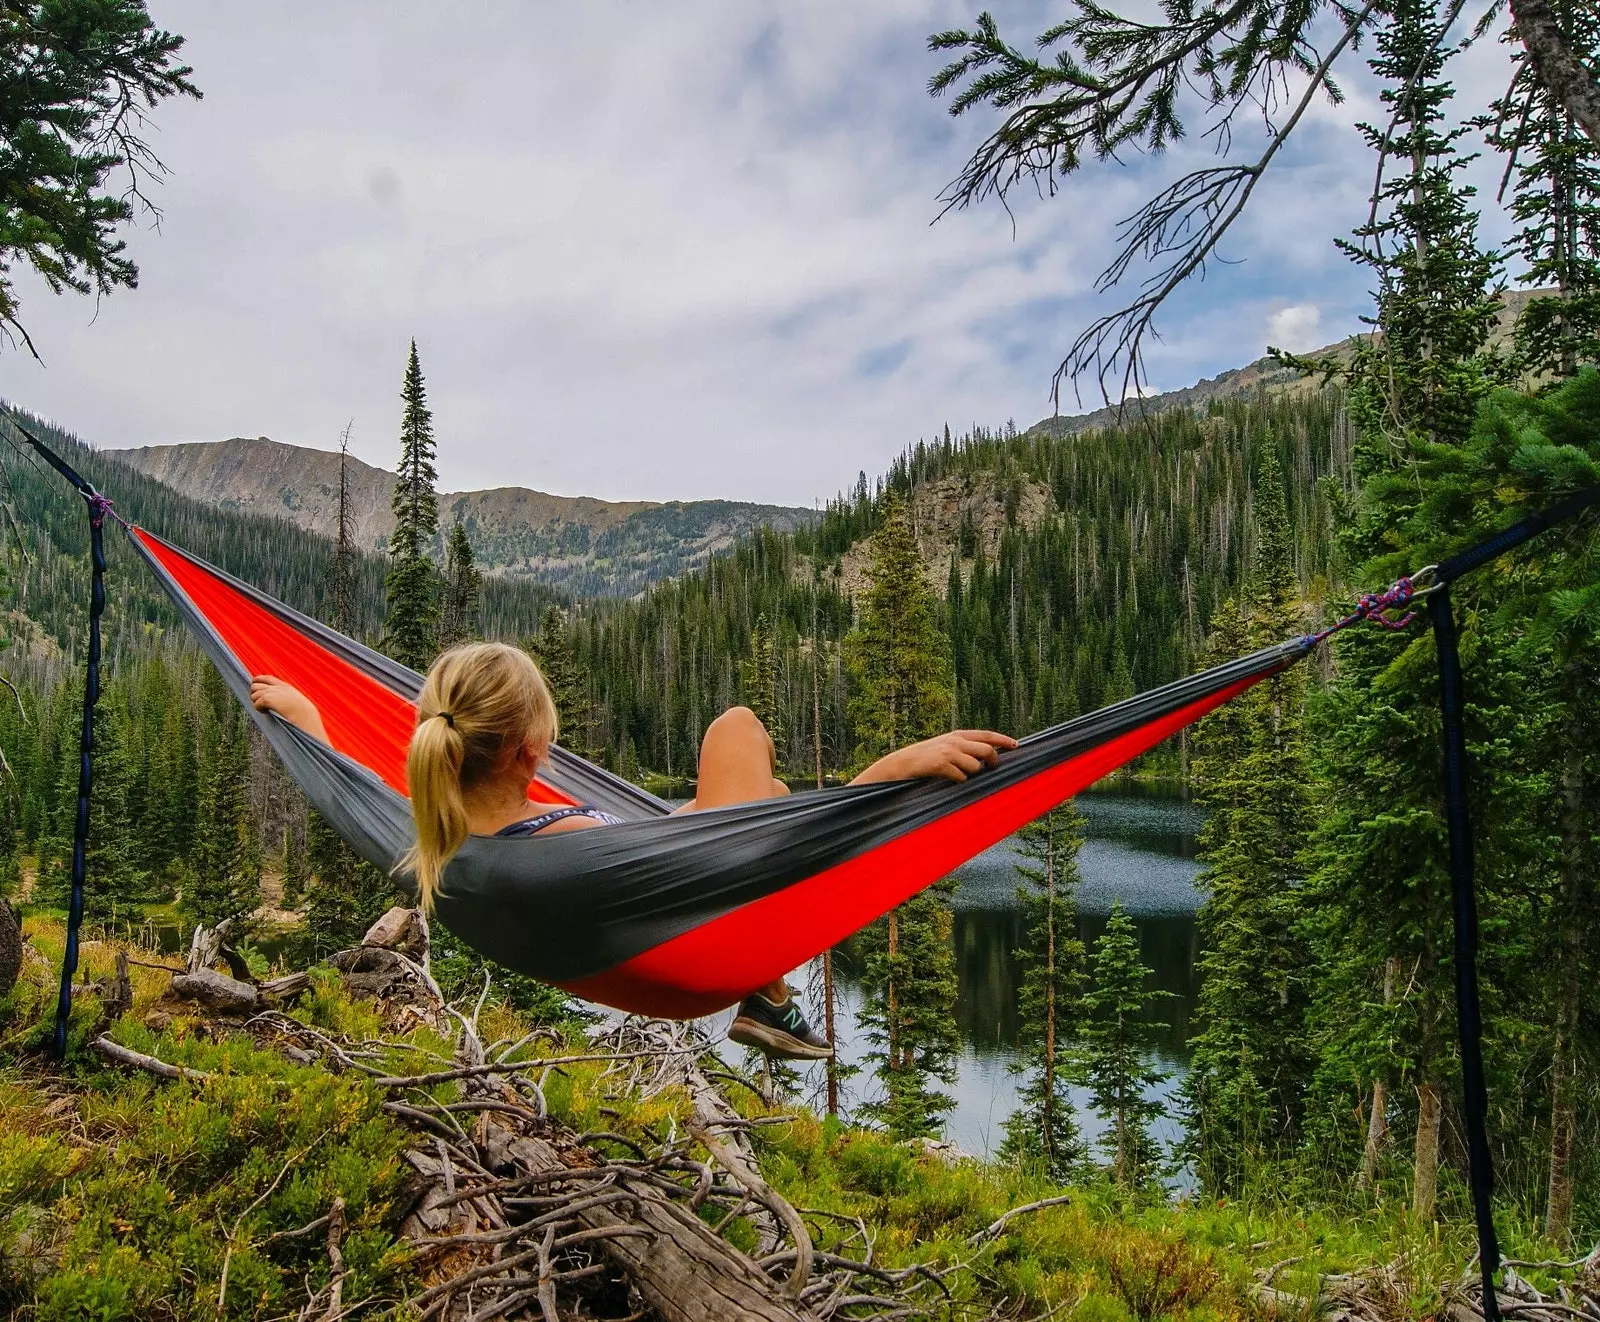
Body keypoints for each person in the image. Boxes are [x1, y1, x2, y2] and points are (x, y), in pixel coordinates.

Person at [251, 642, 1016, 1060]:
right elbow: (766, 866)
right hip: (693, 957)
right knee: (737, 728)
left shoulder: (430, 839)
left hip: (641, 915)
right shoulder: (568, 852)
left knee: (773, 793)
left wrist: (311, 722)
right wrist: (886, 778)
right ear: (530, 749)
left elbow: (354, 791)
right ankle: (768, 995)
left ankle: (774, 999)